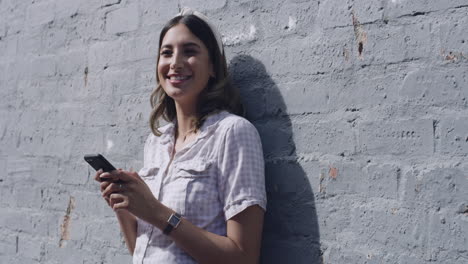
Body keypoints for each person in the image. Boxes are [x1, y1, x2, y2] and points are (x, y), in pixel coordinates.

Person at [94, 7, 267, 264]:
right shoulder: (156, 141)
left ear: (212, 67)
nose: (175, 62)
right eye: (167, 53)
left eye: (190, 51)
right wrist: (125, 206)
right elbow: (144, 250)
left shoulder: (233, 133)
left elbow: (244, 257)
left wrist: (155, 212)